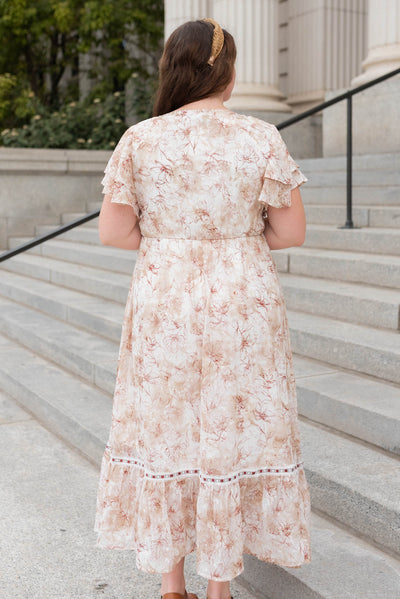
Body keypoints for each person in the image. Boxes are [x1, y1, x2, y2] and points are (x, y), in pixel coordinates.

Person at [94, 17, 312, 599]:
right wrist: (233, 242)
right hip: (243, 294)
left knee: (165, 426)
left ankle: (172, 586)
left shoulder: (140, 138)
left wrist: (173, 243)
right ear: (229, 72)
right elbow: (291, 233)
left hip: (166, 295)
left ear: (172, 68)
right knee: (235, 427)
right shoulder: (261, 137)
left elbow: (114, 233)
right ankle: (219, 588)